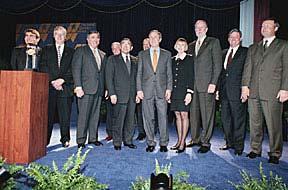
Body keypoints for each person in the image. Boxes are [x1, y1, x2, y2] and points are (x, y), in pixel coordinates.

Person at [241, 18, 288, 164]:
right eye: (262, 26)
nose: (264, 28)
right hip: (253, 91)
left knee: (274, 124)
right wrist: (244, 87)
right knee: (254, 123)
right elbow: (247, 68)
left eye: (268, 26)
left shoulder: (283, 45)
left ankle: (275, 153)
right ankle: (255, 149)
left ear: (276, 28)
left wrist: (285, 88)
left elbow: (287, 69)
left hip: (273, 91)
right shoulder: (253, 47)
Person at [187, 19, 222, 153]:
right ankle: (195, 139)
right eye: (197, 28)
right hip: (193, 86)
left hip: (207, 85)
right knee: (193, 114)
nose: (199, 30)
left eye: (202, 28)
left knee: (207, 114)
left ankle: (205, 142)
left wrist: (213, 83)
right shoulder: (191, 45)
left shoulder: (213, 42)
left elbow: (217, 65)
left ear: (206, 29)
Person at [137, 29, 172, 153]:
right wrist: (139, 89)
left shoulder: (167, 54)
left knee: (163, 117)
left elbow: (169, 73)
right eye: (150, 37)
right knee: (148, 118)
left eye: (155, 37)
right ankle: (150, 142)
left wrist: (169, 89)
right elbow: (139, 73)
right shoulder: (142, 54)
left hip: (162, 91)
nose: (152, 39)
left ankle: (163, 143)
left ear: (160, 39)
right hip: (146, 91)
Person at [39, 26, 75, 147]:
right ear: (53, 36)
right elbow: (43, 66)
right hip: (50, 88)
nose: (59, 37)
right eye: (57, 34)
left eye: (62, 34)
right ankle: (45, 140)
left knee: (65, 117)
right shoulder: (46, 50)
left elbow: (73, 69)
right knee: (48, 117)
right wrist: (53, 81)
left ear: (66, 37)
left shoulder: (72, 51)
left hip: (65, 88)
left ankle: (65, 139)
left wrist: (62, 80)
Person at [72, 30, 107, 148]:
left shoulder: (103, 54)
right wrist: (78, 86)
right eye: (92, 37)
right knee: (83, 115)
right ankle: (81, 141)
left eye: (97, 38)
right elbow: (76, 69)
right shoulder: (81, 51)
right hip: (85, 89)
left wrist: (105, 88)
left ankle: (93, 138)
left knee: (95, 115)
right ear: (87, 39)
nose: (95, 40)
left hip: (98, 89)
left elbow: (102, 73)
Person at [218, 28, 248, 155]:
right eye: (231, 37)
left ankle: (238, 147)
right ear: (228, 39)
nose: (233, 39)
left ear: (240, 38)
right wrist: (218, 90)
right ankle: (229, 142)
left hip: (238, 92)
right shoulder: (224, 52)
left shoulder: (246, 52)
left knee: (238, 120)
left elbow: (247, 72)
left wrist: (245, 89)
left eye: (236, 37)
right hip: (224, 92)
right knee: (226, 119)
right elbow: (222, 73)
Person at [106, 38, 138, 150]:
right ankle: (117, 142)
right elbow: (109, 78)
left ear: (131, 47)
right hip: (118, 95)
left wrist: (138, 93)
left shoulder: (135, 60)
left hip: (132, 96)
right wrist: (112, 93)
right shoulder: (112, 59)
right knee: (118, 120)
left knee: (130, 120)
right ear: (120, 46)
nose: (125, 46)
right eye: (123, 44)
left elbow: (138, 79)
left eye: (128, 44)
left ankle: (128, 141)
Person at [170, 38, 194, 153]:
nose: (180, 47)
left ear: (186, 47)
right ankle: (179, 141)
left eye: (183, 45)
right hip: (175, 92)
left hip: (185, 92)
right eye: (178, 44)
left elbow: (191, 76)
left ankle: (183, 142)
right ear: (175, 46)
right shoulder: (172, 60)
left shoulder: (190, 59)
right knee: (177, 116)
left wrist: (189, 92)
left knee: (184, 115)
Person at [105, 41, 121, 142]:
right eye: (113, 48)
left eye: (117, 48)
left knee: (120, 114)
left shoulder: (125, 59)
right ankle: (110, 133)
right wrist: (107, 89)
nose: (115, 50)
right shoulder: (109, 60)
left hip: (122, 92)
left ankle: (119, 133)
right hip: (111, 91)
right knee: (110, 114)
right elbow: (107, 76)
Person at [135, 38, 150, 141]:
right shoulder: (137, 58)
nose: (146, 46)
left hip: (152, 90)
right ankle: (141, 132)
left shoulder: (157, 57)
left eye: (148, 44)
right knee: (140, 112)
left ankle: (151, 131)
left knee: (152, 112)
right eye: (144, 44)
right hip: (140, 90)